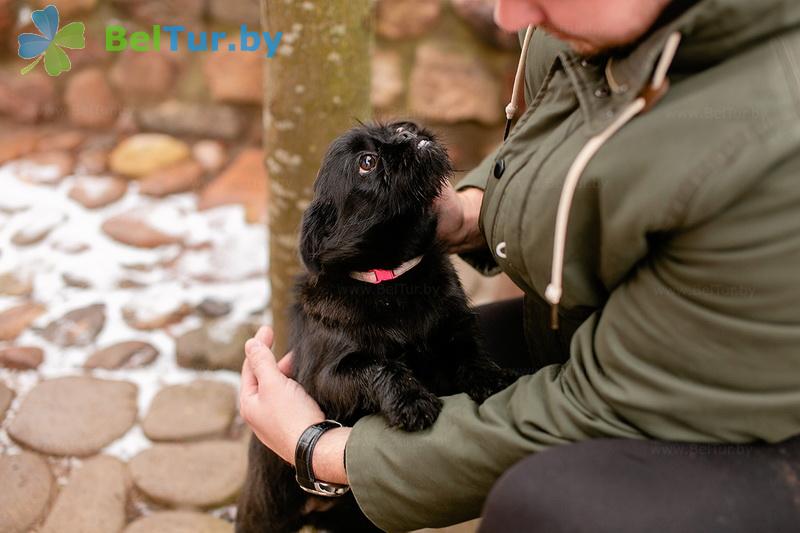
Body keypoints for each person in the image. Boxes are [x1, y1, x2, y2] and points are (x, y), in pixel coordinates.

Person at [240, 0, 800, 531]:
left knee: (536, 510)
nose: (507, 15)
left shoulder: (769, 142)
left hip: (742, 434)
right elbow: (562, 165)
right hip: (601, 337)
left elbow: (597, 407)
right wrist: (470, 213)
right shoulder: (593, 25)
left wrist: (320, 450)